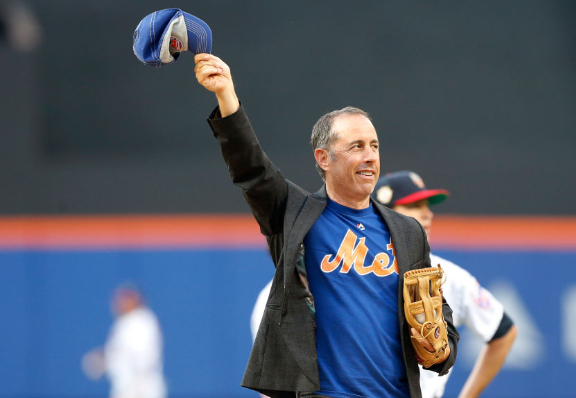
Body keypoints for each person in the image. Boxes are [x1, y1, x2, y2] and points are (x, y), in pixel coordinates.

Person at [193, 53, 458, 398]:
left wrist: (443, 349)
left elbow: (439, 311)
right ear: (323, 158)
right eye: (356, 146)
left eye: (375, 146)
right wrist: (226, 95)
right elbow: (252, 170)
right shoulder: (294, 213)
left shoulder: (407, 231)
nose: (370, 156)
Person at [373, 171, 517, 398]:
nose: (427, 213)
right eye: (413, 205)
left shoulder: (447, 275)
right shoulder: (351, 271)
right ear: (383, 214)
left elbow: (504, 332)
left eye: (427, 205)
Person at [81, 283, 167, 398]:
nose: (120, 303)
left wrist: (111, 358)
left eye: (125, 299)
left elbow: (141, 358)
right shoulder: (123, 323)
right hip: (126, 388)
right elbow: (120, 354)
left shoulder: (142, 320)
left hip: (141, 387)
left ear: (135, 300)